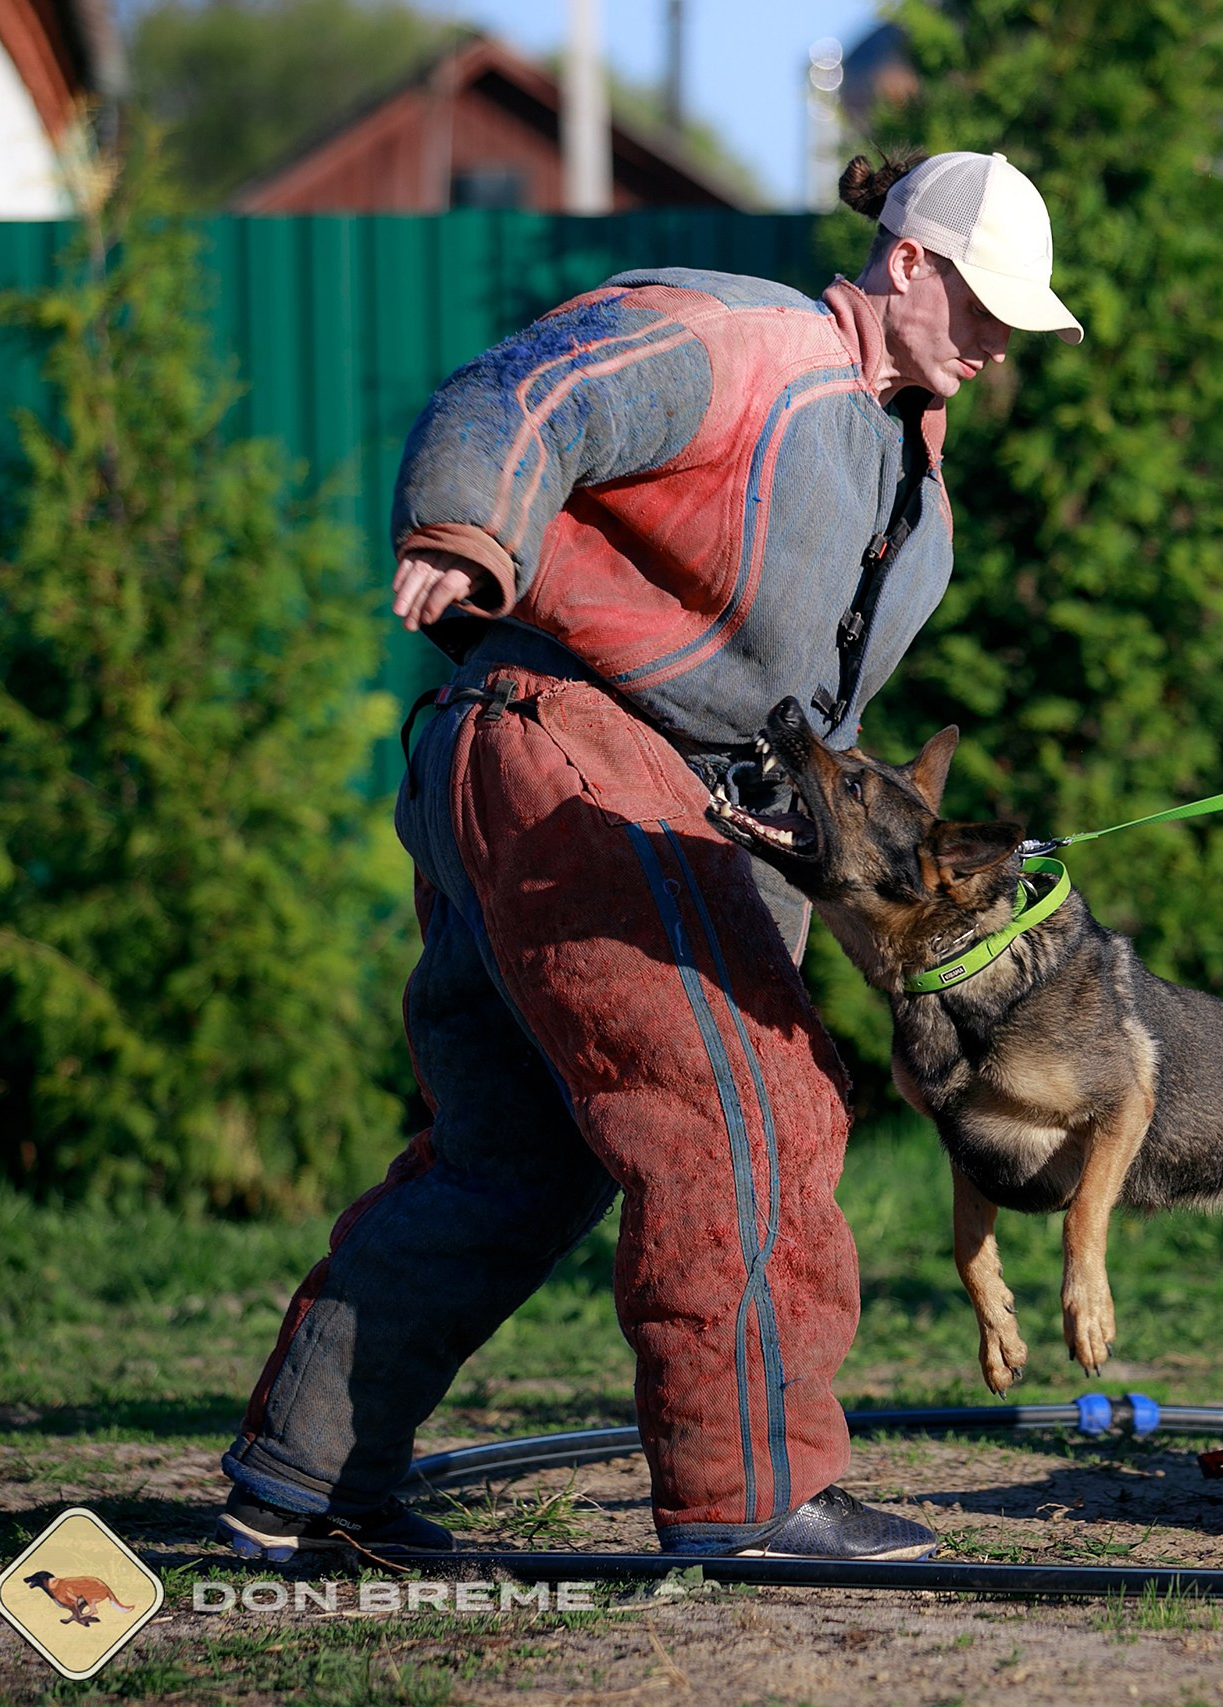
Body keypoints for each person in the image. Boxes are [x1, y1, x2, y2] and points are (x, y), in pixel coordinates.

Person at [218, 150, 1084, 1562]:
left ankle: (300, 1480)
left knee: (516, 1153)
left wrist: (823, 888)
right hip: (562, 739)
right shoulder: (743, 342)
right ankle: (753, 1489)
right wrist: (466, 524)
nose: (997, 345)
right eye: (985, 306)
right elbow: (525, 392)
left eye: (1017, 325)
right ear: (909, 264)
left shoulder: (919, 504)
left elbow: (812, 743)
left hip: (646, 797)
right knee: (748, 1110)